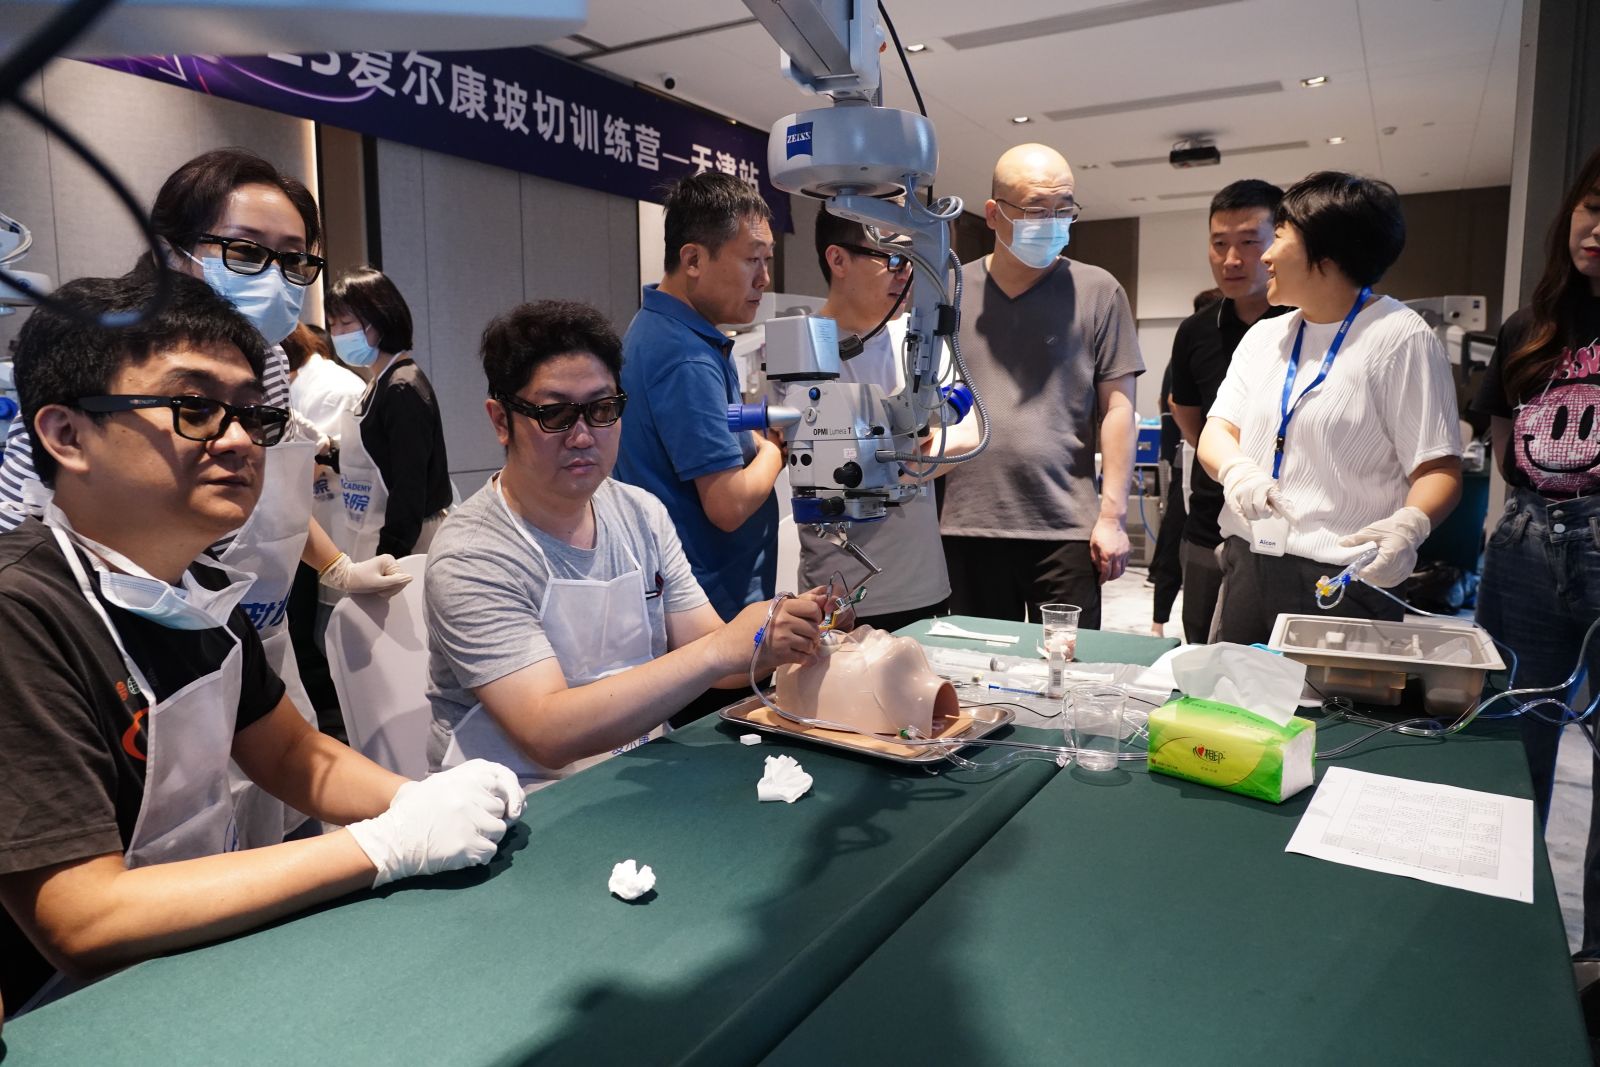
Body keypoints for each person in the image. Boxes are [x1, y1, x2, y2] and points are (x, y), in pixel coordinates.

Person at [0, 273, 523, 1016]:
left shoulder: (198, 586)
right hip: (77, 1009)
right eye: (194, 408)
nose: (241, 439)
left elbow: (291, 753)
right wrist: (382, 845)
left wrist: (422, 799)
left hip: (196, 957)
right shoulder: (22, 613)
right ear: (67, 435)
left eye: (253, 414)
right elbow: (82, 916)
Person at [0, 149, 409, 847]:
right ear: (172, 250)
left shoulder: (268, 365)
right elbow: (83, 899)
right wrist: (385, 847)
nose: (236, 437)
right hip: (111, 636)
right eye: (246, 252)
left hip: (231, 631)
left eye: (294, 260)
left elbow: (269, 491)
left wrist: (336, 566)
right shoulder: (108, 360)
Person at [424, 300, 825, 791]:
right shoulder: (473, 554)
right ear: (501, 421)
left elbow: (713, 655)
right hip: (511, 800)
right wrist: (722, 649)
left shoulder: (639, 513)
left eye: (602, 410)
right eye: (555, 415)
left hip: (627, 777)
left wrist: (785, 638)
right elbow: (546, 732)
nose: (582, 436)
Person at [1197, 172, 1463, 646]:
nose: (1266, 256)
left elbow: (1438, 467)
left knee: (1328, 697)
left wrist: (1410, 526)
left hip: (1344, 578)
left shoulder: (1400, 336)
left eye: (1279, 237)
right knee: (1235, 691)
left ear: (1326, 251)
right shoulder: (1265, 336)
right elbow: (1217, 431)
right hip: (1250, 561)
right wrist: (1236, 471)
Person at [939, 143, 1143, 628]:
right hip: (967, 523)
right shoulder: (949, 290)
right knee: (979, 664)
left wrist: (1112, 517)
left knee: (1068, 662)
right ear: (994, 214)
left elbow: (1118, 409)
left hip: (1066, 526)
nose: (1051, 223)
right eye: (1035, 209)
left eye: (1063, 208)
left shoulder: (1098, 291)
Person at [1469, 147, 1600, 872]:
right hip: (1526, 539)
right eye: (1592, 208)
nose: (1596, 230)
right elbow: (1502, 433)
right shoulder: (1530, 326)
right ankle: (1505, 906)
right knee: (1511, 738)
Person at [614, 172, 780, 624]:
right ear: (692, 259)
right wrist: (774, 452)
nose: (764, 278)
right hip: (707, 608)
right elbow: (728, 505)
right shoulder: (685, 356)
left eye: (768, 259)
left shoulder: (662, 330)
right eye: (752, 260)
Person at [796, 210, 951, 631]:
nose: (906, 274)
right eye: (893, 259)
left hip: (925, 585)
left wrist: (897, 461)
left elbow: (967, 433)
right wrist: (913, 451)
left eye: (912, 260)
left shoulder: (917, 338)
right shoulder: (800, 346)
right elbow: (829, 467)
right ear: (838, 259)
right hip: (840, 594)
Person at [1168, 181, 1290, 642]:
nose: (1232, 259)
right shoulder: (1195, 331)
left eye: (1249, 242)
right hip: (1208, 522)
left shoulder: (1306, 322)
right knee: (1202, 652)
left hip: (1288, 530)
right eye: (1220, 244)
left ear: (1279, 242)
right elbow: (1188, 416)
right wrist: (1225, 461)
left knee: (1275, 660)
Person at [325, 267, 451, 560]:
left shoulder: (401, 387)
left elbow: (409, 484)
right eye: (332, 325)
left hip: (411, 540)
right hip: (381, 530)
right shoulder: (379, 382)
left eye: (347, 323)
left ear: (381, 319)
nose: (338, 334)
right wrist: (327, 453)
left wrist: (390, 555)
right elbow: (378, 458)